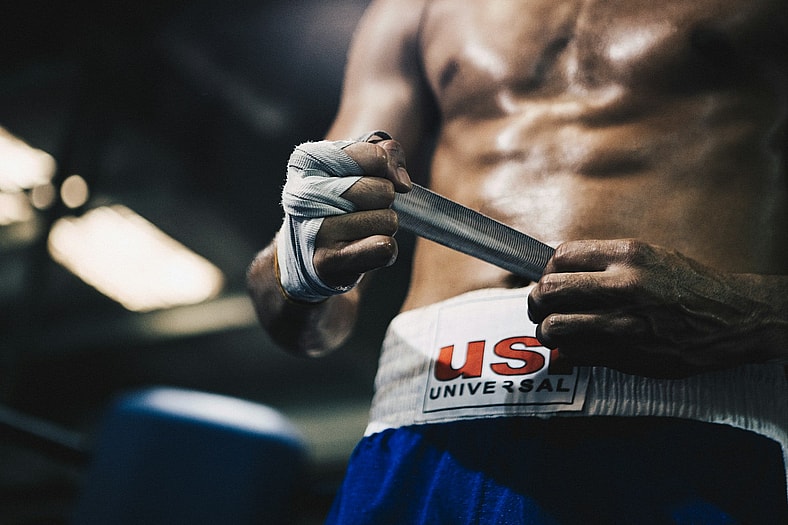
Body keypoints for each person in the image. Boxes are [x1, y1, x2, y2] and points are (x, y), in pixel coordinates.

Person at [246, 0, 788, 522]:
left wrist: (754, 314)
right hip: (416, 428)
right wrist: (301, 268)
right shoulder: (415, 7)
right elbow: (292, 303)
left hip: (688, 426)